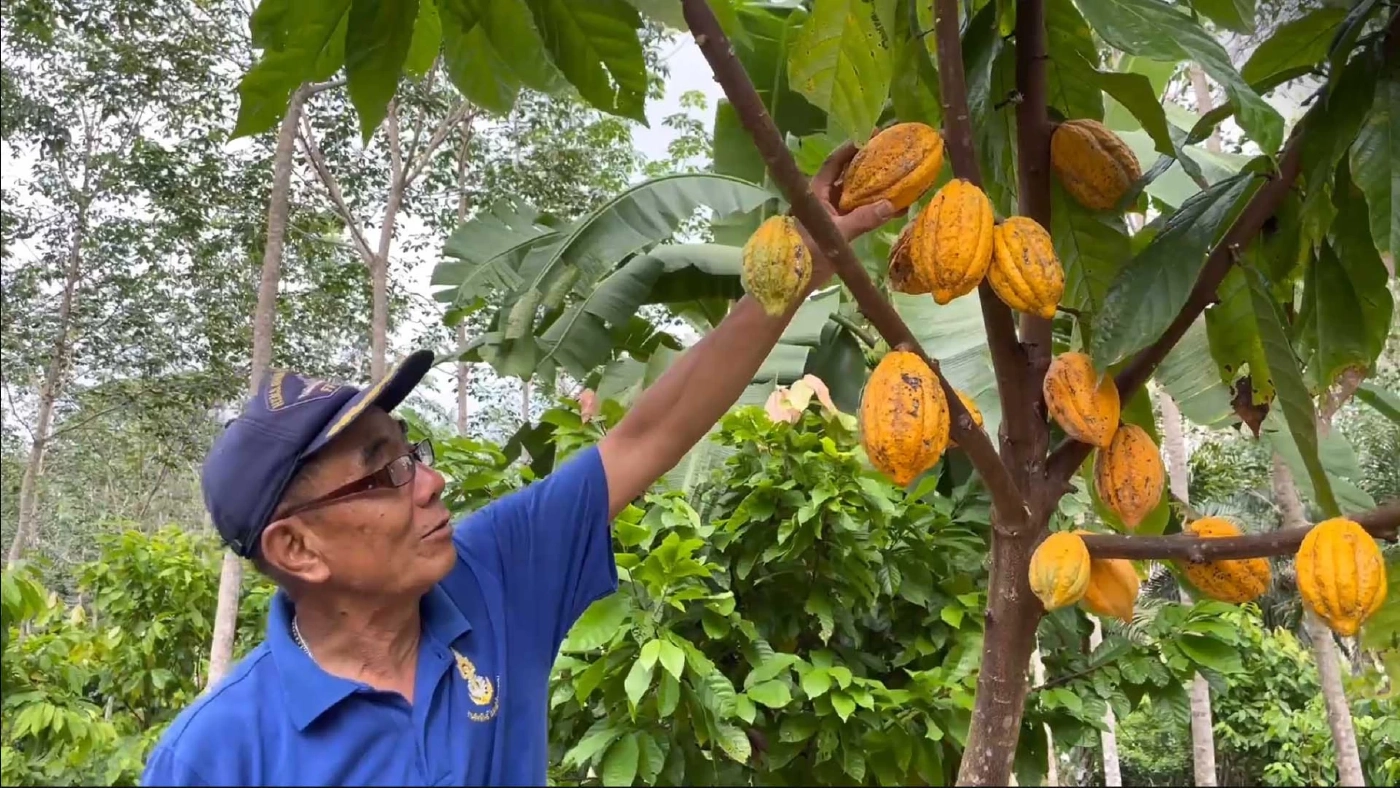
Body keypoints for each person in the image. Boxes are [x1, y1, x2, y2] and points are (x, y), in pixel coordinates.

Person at [139, 144, 895, 787]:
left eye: (412, 451)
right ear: (297, 549)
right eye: (384, 471)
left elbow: (648, 436)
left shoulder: (493, 573)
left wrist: (797, 265)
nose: (431, 482)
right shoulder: (217, 755)